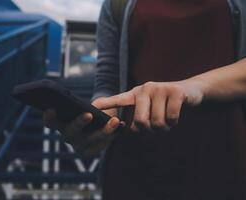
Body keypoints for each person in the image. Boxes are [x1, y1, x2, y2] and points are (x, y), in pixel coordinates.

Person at [44, 0, 246, 199]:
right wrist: (97, 118)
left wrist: (193, 86)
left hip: (224, 163)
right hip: (133, 169)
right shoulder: (116, 5)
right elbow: (108, 82)